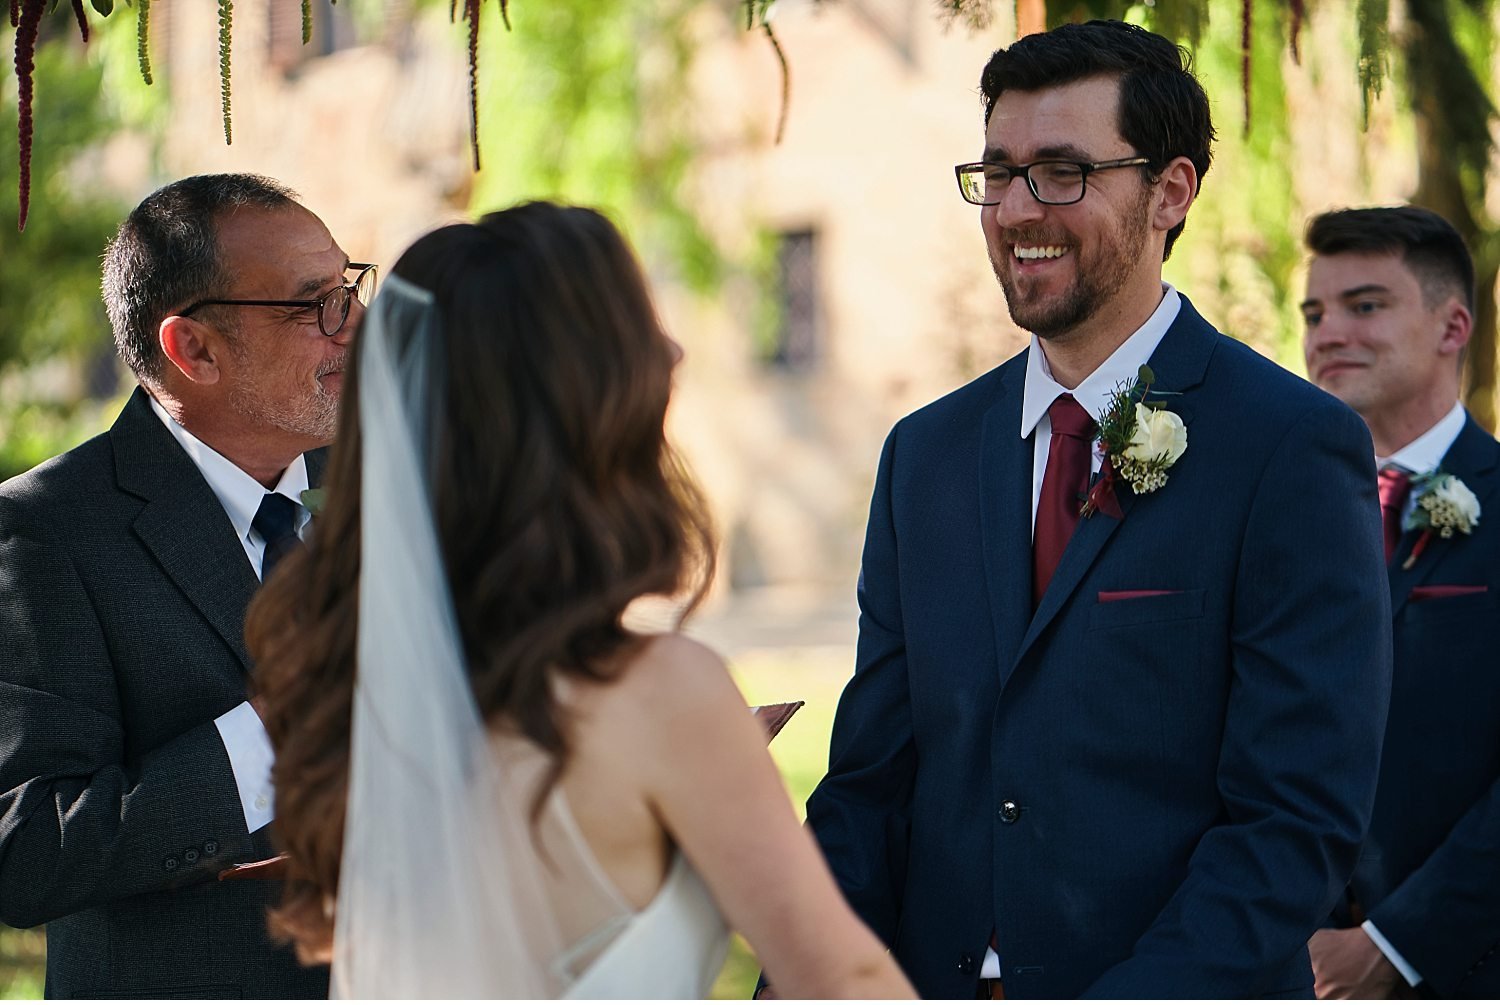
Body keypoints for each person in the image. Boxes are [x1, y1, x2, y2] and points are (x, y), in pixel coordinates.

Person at [787, 20, 1393, 999]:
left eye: (1063, 171)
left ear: (1171, 191)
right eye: (999, 172)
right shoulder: (925, 458)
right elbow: (870, 786)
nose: (1019, 209)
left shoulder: (1289, 447)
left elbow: (1294, 824)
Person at [243, 202, 917, 998]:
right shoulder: (666, 694)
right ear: (588, 397)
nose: (672, 350)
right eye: (635, 326)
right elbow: (845, 980)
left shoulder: (361, 687)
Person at [0, 173, 359, 996]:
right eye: (314, 305)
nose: (352, 326)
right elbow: (29, 852)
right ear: (193, 349)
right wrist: (277, 732)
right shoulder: (44, 531)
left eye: (348, 288)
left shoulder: (390, 483)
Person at [1301, 205, 1500, 998]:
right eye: (1315, 312)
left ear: (1452, 327)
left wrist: (1392, 943)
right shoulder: (1284, 517)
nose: (1328, 332)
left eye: (1366, 305)